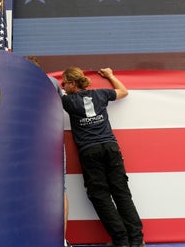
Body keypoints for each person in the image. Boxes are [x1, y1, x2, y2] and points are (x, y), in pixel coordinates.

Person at [60, 67, 145, 247]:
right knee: (121, 193)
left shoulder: (67, 101)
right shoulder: (101, 94)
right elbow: (124, 92)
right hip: (111, 148)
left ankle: (121, 240)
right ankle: (137, 240)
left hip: (89, 152)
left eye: (64, 83)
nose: (62, 86)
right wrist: (110, 75)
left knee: (99, 195)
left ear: (72, 83)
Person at [24, 56, 71, 247]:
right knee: (60, 189)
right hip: (53, 143)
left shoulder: (16, 82)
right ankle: (60, 240)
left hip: (27, 144)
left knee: (27, 189)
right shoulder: (52, 83)